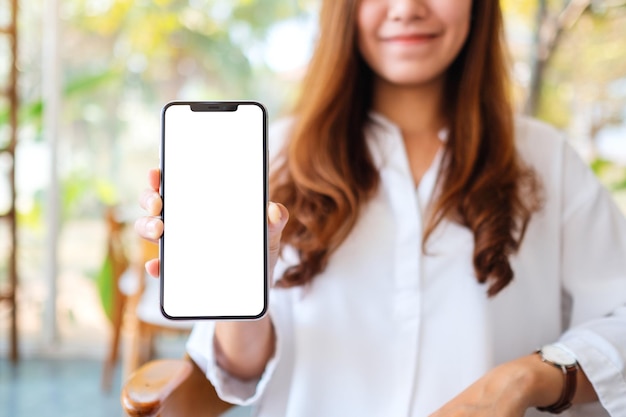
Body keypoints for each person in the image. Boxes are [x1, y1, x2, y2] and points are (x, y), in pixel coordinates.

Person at [135, 0, 626, 415]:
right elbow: (237, 372)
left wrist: (527, 378)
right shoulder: (271, 156)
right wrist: (248, 289)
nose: (407, 10)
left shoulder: (547, 160)